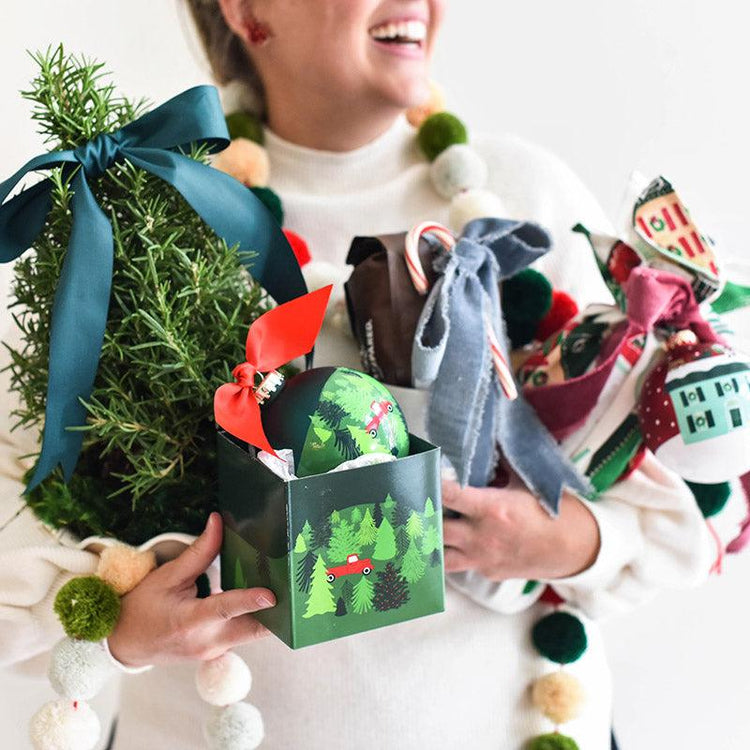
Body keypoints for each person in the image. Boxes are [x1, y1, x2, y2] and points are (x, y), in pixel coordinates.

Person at [0, 1, 744, 748]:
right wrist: (120, 626)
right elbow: (15, 537)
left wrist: (575, 540)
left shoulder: (522, 203)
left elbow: (707, 484)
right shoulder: (142, 222)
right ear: (248, 9)